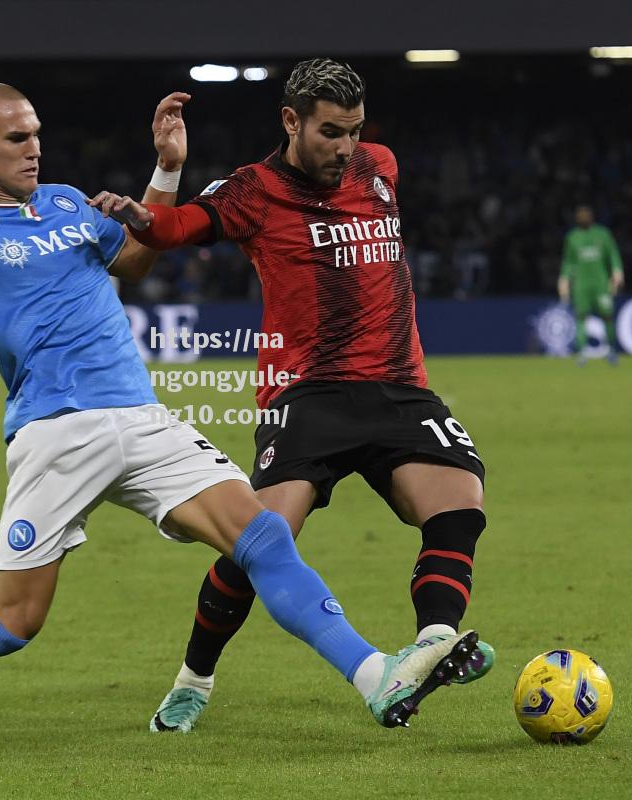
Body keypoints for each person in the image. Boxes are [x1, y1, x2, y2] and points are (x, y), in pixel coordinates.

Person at [0, 81, 481, 741]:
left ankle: (377, 677)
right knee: (13, 624)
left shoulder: (68, 202)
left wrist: (167, 170)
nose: (34, 148)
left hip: (141, 416)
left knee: (264, 538)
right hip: (56, 432)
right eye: (16, 138)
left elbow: (134, 260)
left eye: (36, 134)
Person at [91, 58, 494, 734]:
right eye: (331, 132)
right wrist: (145, 206)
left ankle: (430, 646)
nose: (345, 148)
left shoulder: (381, 167)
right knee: (258, 541)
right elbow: (175, 230)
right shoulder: (253, 190)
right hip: (308, 396)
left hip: (399, 386)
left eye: (355, 131)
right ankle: (195, 677)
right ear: (291, 120)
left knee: (459, 500)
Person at [557, 204, 624, 365]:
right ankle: (581, 353)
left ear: (592, 217)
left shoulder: (603, 234)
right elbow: (568, 262)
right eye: (580, 215)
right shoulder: (572, 237)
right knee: (581, 318)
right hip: (581, 285)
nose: (583, 218)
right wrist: (564, 280)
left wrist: (617, 271)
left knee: (607, 316)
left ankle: (612, 350)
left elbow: (613, 254)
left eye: (586, 215)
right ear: (577, 218)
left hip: (600, 284)